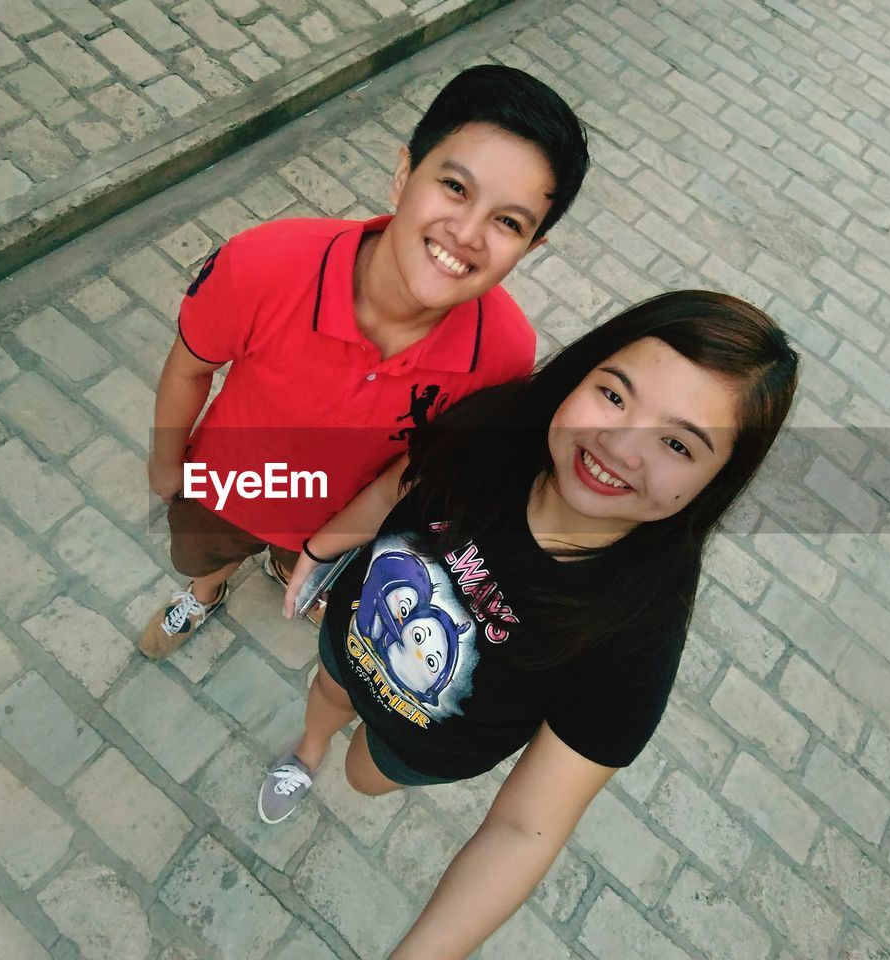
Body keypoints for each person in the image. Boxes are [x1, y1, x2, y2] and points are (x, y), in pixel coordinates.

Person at [260, 291, 800, 957]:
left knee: (364, 771)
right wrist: (321, 548)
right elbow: (393, 489)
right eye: (614, 395)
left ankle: (341, 757)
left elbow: (525, 828)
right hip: (353, 639)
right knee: (329, 692)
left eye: (676, 444)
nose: (617, 447)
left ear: (715, 482)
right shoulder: (495, 432)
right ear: (581, 371)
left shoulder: (637, 631)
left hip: (426, 745)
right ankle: (306, 750)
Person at [140, 65, 590, 658]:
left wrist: (330, 543)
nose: (466, 233)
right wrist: (167, 464)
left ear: (531, 248)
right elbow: (191, 366)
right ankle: (205, 591)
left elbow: (420, 465)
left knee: (303, 559)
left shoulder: (503, 353)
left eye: (508, 222)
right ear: (404, 175)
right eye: (455, 187)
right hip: (225, 486)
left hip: (340, 515)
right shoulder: (264, 265)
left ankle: (295, 571)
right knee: (206, 552)